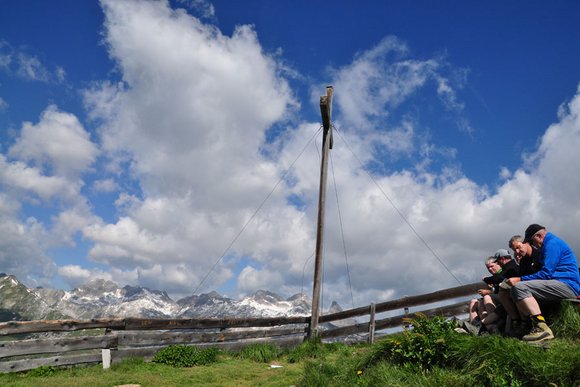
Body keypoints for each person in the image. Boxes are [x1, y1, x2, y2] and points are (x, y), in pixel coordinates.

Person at [506, 224, 580, 342]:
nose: (532, 244)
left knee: (519, 287)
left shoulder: (552, 244)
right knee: (516, 290)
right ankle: (531, 326)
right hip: (559, 283)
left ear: (539, 236)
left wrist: (520, 279)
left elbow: (546, 274)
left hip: (567, 284)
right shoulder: (548, 245)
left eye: (532, 241)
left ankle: (542, 329)